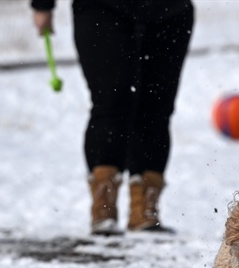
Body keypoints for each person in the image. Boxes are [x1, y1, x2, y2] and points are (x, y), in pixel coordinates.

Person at [31, 0, 194, 235]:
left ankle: (144, 208)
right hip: (102, 8)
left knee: (157, 108)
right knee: (111, 100)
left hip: (170, 10)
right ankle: (103, 206)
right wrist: (43, 4)